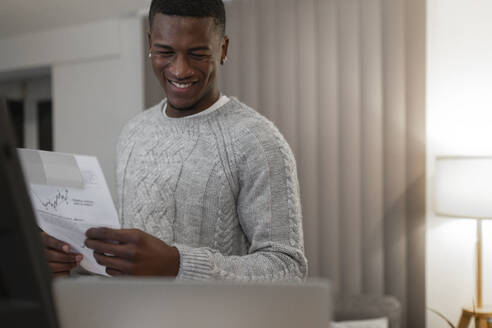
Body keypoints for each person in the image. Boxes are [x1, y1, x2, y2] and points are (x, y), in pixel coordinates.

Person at [41, 0, 307, 281]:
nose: (180, 70)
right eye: (165, 52)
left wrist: (178, 265)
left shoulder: (259, 142)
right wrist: (72, 259)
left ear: (223, 49)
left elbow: (288, 268)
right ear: (149, 43)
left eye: (197, 54)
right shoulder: (133, 132)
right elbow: (126, 259)